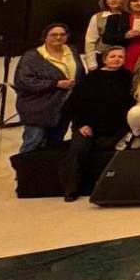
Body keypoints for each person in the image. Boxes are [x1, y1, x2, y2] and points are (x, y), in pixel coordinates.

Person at [57, 46, 133, 201]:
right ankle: (71, 189)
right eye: (112, 56)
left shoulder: (128, 77)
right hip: (87, 126)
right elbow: (72, 105)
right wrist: (81, 125)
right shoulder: (90, 78)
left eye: (120, 57)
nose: (117, 59)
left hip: (116, 128)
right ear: (104, 59)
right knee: (78, 150)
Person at [14, 23, 85, 153]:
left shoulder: (72, 50)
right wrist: (55, 84)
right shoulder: (32, 56)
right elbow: (24, 81)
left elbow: (80, 73)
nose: (58, 37)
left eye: (62, 34)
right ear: (45, 37)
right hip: (37, 109)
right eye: (54, 34)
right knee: (34, 142)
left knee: (55, 143)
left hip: (63, 107)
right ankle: (26, 166)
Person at [102, 0, 140, 72]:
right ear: (128, 3)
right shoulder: (116, 18)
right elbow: (106, 39)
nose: (139, 3)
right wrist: (125, 36)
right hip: (126, 54)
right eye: (135, 1)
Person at [84, 0, 125, 70]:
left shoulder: (129, 16)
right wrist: (91, 63)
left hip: (125, 56)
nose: (113, 0)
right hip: (102, 56)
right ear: (105, 1)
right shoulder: (97, 17)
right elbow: (90, 41)